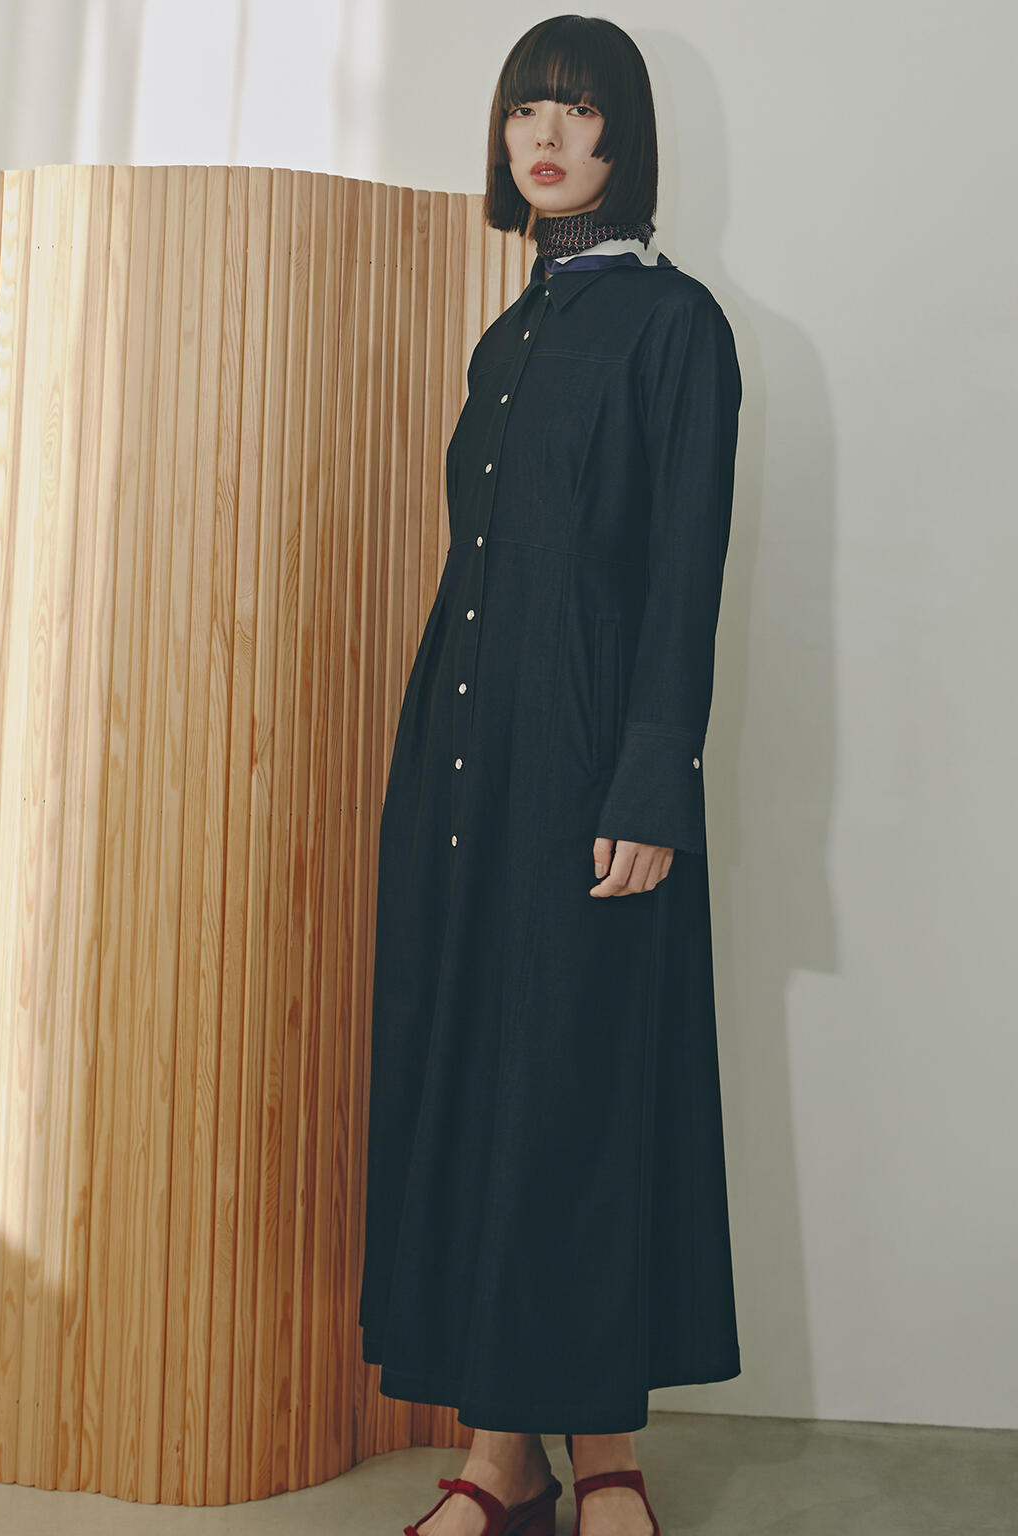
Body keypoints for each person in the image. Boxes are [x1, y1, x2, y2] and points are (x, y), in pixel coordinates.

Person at [358, 15, 743, 1536]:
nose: (547, 136)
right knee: (488, 1098)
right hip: (466, 769)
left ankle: (609, 1456)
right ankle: (501, 1455)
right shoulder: (507, 336)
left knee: (579, 1102)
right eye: (527, 108)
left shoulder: (677, 326)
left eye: (578, 113)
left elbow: (682, 578)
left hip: (587, 766)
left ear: (622, 140)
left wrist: (650, 783)